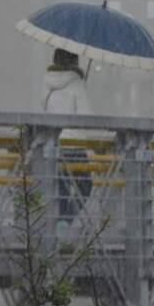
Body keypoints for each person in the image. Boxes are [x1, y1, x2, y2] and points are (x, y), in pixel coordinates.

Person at [43, 48, 93, 224]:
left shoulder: (47, 85)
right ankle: (66, 220)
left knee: (61, 188)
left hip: (55, 146)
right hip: (74, 145)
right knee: (84, 186)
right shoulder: (77, 84)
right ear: (74, 61)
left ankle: (59, 224)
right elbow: (86, 117)